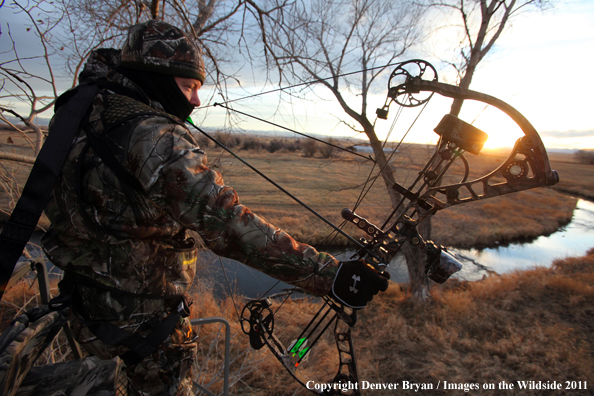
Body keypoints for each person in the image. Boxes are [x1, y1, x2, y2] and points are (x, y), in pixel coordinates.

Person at [41, 20, 389, 396]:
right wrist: (330, 275)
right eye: (189, 86)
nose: (196, 100)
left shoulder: (79, 110)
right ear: (157, 76)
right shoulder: (155, 137)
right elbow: (226, 223)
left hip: (82, 305)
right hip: (142, 322)